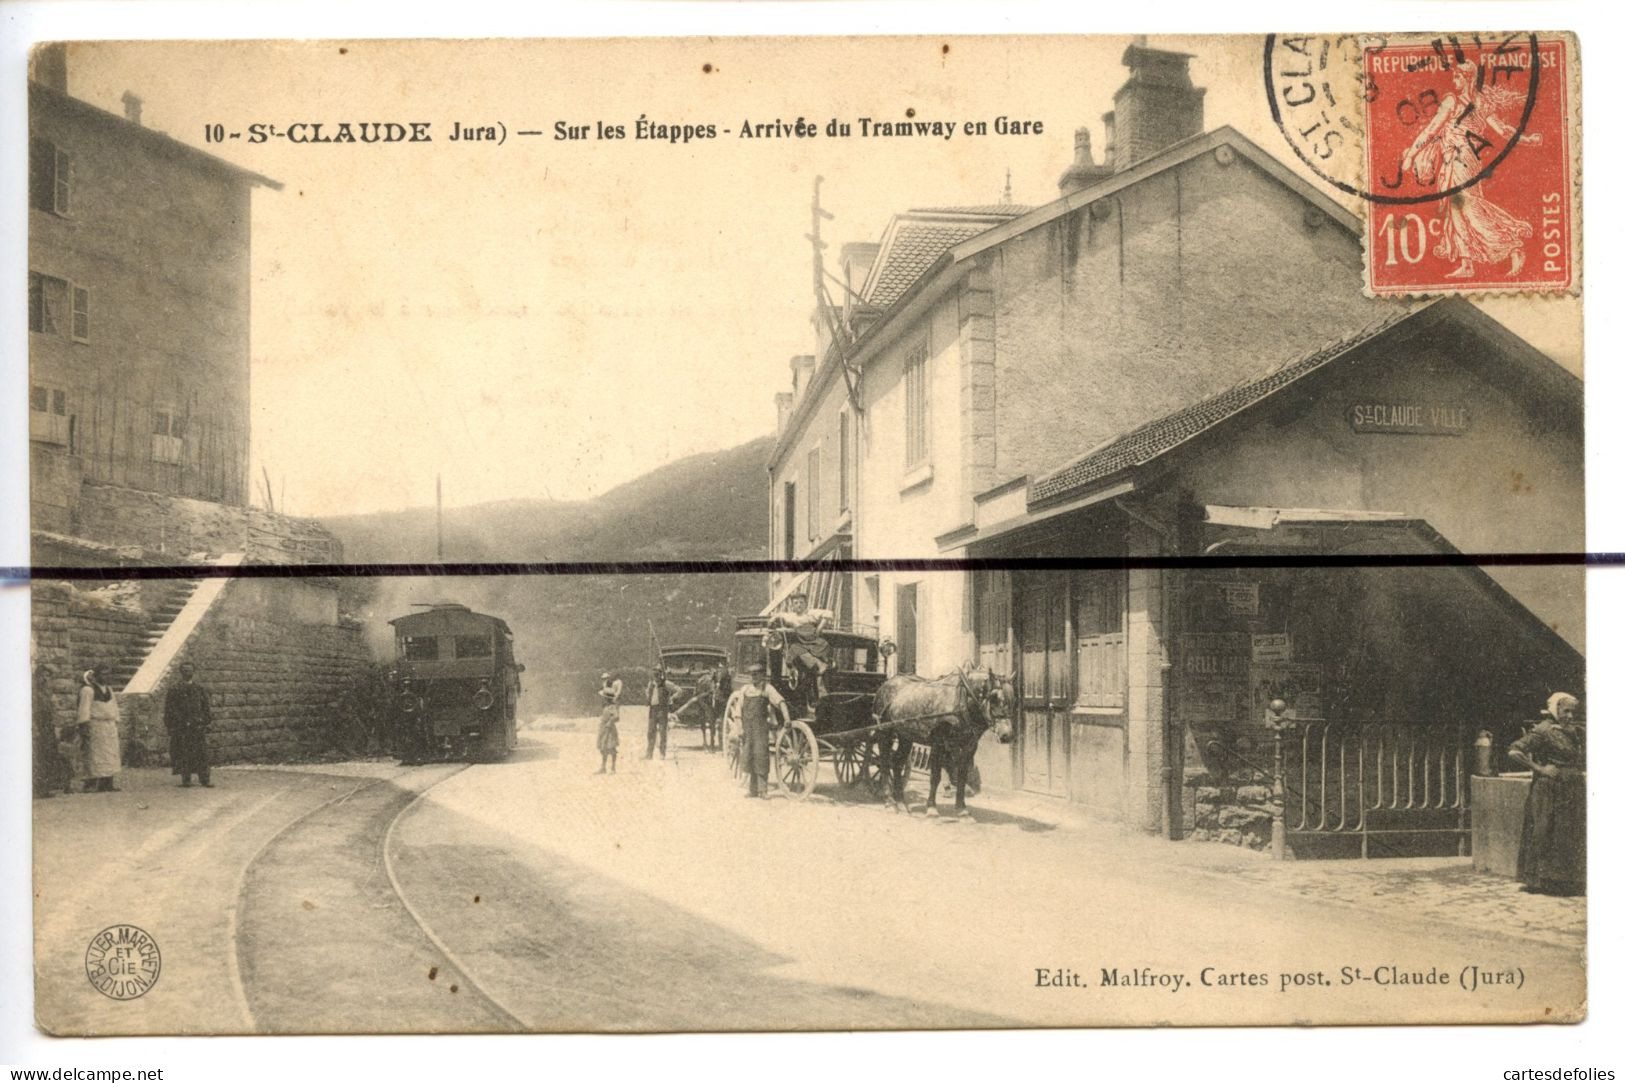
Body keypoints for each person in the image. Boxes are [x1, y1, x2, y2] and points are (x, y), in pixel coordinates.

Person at [1400, 59, 1539, 280]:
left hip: (1460, 158)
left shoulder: (1452, 101)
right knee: (1456, 209)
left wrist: (1411, 154)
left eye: (1457, 76)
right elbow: (1503, 130)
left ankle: (1512, 245)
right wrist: (1527, 139)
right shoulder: (1480, 102)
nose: (1453, 80)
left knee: (1469, 206)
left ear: (1467, 78)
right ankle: (1467, 264)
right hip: (1459, 159)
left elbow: (1431, 130)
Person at [1507, 692, 1585, 896]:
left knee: (1567, 834)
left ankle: (1565, 881)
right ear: (1555, 710)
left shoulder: (1574, 731)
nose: (1569, 715)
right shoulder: (1543, 730)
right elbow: (1515, 751)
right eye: (1565, 711)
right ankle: (1540, 880)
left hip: (1571, 789)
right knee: (1546, 831)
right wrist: (1540, 769)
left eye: (1572, 712)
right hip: (1549, 789)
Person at [724, 663, 789, 798]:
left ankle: (763, 790)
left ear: (762, 675)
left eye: (756, 674)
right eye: (751, 674)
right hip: (747, 729)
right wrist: (740, 728)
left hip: (761, 729)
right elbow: (737, 712)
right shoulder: (745, 690)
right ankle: (752, 790)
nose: (753, 677)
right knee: (749, 756)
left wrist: (787, 718)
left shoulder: (767, 689)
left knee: (761, 756)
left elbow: (780, 701)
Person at [772, 592, 835, 705]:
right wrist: (773, 619)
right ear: (792, 605)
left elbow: (829, 613)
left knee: (821, 667)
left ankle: (822, 694)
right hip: (803, 643)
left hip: (815, 642)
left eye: (801, 602)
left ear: (806, 604)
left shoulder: (811, 614)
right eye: (796, 603)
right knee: (794, 648)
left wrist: (820, 628)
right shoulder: (791, 617)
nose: (799, 605)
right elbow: (779, 615)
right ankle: (819, 666)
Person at [164, 662, 214, 788]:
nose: (188, 673)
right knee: (183, 753)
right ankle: (186, 780)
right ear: (181, 672)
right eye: (185, 671)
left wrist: (205, 721)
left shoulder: (199, 689)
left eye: (190, 671)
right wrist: (177, 722)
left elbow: (205, 707)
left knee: (201, 754)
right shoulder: (175, 689)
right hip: (182, 727)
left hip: (197, 726)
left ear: (193, 672)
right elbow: (170, 708)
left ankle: (205, 779)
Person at [75, 667, 122, 793]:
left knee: (110, 754)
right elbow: (84, 709)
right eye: (103, 674)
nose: (106, 677)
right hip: (96, 726)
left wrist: (116, 721)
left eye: (108, 674)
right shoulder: (88, 690)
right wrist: (84, 725)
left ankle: (107, 783)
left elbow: (114, 707)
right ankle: (92, 784)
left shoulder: (109, 690)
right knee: (95, 755)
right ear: (96, 675)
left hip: (109, 726)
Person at [33, 661, 71, 798]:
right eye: (43, 676)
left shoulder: (47, 692)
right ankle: (39, 788)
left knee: (49, 755)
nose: (45, 679)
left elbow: (53, 711)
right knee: (39, 756)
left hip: (48, 726)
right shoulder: (33, 692)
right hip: (38, 725)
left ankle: (46, 786)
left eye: (48, 676)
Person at [645, 666, 679, 760]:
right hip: (652, 710)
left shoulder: (666, 684)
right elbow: (648, 693)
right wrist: (648, 697)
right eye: (654, 675)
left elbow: (679, 690)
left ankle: (662, 754)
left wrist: (671, 698)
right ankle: (649, 754)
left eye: (657, 675)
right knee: (650, 732)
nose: (656, 677)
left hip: (662, 710)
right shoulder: (651, 684)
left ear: (661, 675)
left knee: (662, 732)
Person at [596, 672, 621, 774]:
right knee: (603, 748)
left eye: (604, 698)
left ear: (607, 698)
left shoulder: (612, 707)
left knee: (611, 748)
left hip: (610, 731)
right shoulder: (606, 707)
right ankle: (603, 767)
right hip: (604, 730)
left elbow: (616, 717)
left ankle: (613, 768)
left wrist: (609, 722)